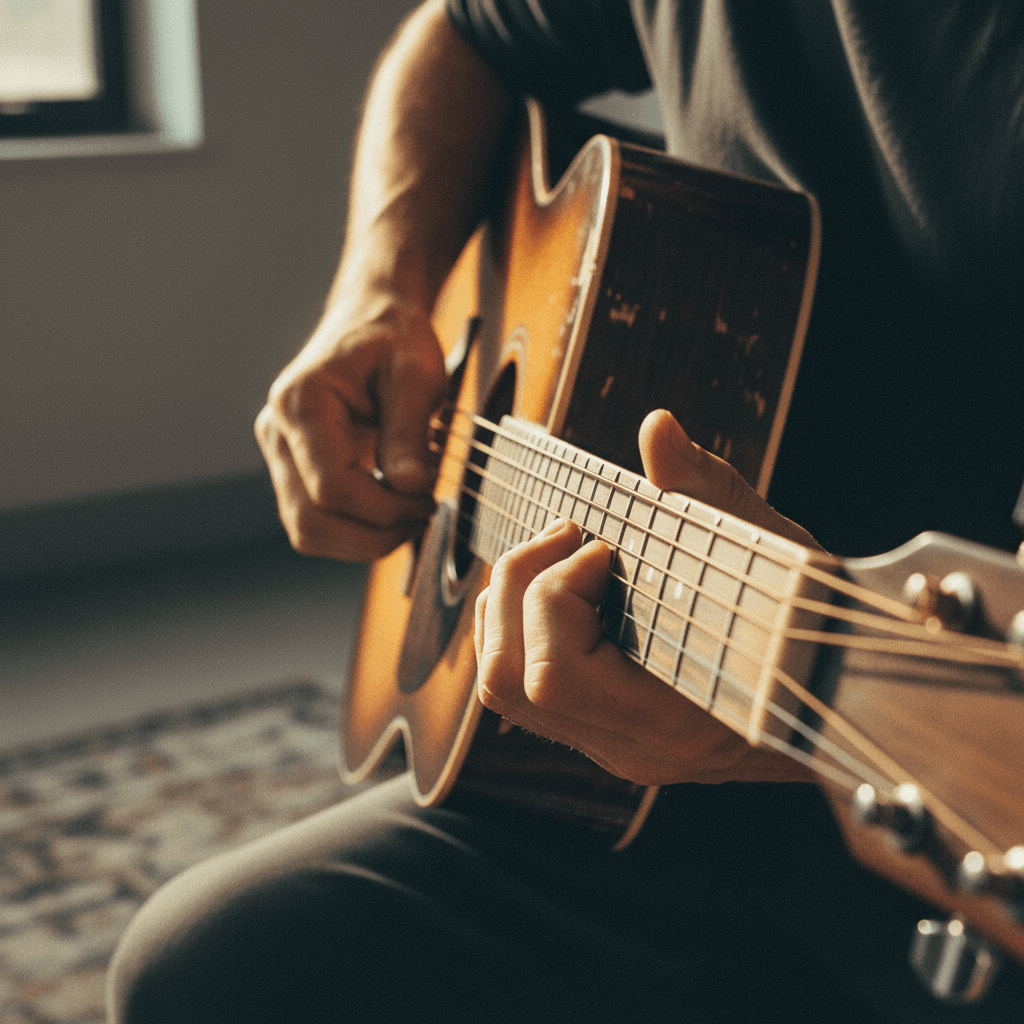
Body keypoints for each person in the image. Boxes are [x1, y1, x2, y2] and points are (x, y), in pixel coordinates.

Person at [108, 1, 1024, 1020]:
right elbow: (463, 34)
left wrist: (776, 738)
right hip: (661, 760)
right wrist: (380, 292)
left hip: (933, 796)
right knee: (198, 967)